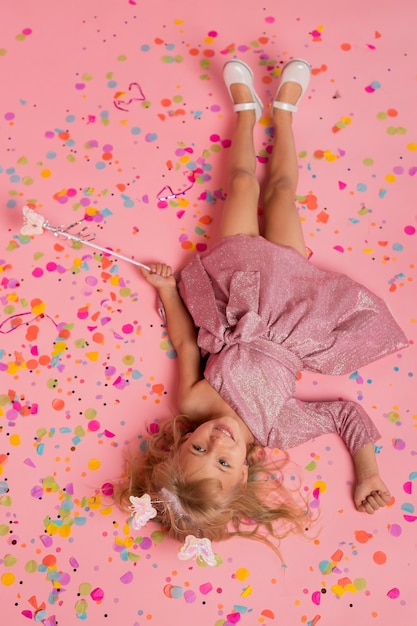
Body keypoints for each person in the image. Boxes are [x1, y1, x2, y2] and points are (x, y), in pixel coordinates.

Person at [117, 59, 408, 557]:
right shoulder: (278, 428)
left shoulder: (191, 404)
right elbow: (345, 414)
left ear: (178, 446)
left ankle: (247, 112)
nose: (218, 441)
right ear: (245, 478)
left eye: (199, 449)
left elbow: (186, 340)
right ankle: (287, 112)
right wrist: (369, 473)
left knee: (245, 186)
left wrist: (166, 290)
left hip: (234, 289)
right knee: (282, 194)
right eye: (225, 461)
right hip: (290, 303)